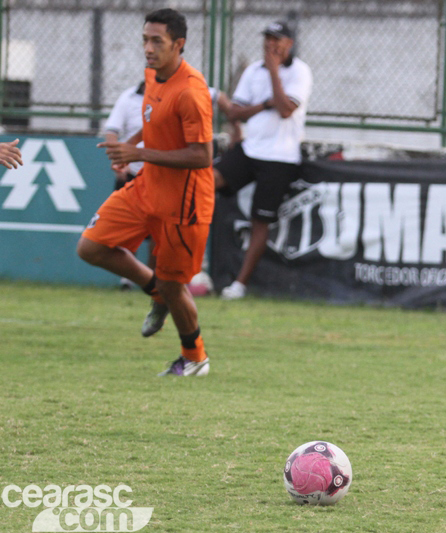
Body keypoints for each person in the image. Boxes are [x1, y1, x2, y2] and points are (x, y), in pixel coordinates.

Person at [77, 8, 215, 376]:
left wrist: (137, 153)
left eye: (157, 41)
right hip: (146, 187)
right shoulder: (154, 76)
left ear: (179, 44)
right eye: (145, 40)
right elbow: (154, 123)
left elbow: (203, 155)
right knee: (90, 247)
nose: (148, 48)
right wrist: (129, 146)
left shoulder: (191, 92)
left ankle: (194, 357)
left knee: (176, 285)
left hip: (183, 204)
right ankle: (155, 291)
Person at [214, 20, 313, 300]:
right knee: (204, 183)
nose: (270, 45)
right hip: (250, 149)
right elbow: (234, 112)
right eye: (267, 39)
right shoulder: (252, 71)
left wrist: (273, 75)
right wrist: (264, 104)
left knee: (260, 221)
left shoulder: (300, 72)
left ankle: (239, 285)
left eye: (276, 40)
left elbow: (285, 109)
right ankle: (194, 264)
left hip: (280, 157)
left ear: (289, 44)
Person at [105, 81, 235, 289]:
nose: (150, 52)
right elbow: (116, 131)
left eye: (157, 45)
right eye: (147, 46)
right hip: (133, 175)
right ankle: (131, 279)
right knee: (108, 239)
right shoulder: (128, 97)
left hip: (166, 177)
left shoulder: (185, 87)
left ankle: (163, 282)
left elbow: (219, 99)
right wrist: (118, 156)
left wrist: (236, 125)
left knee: (162, 238)